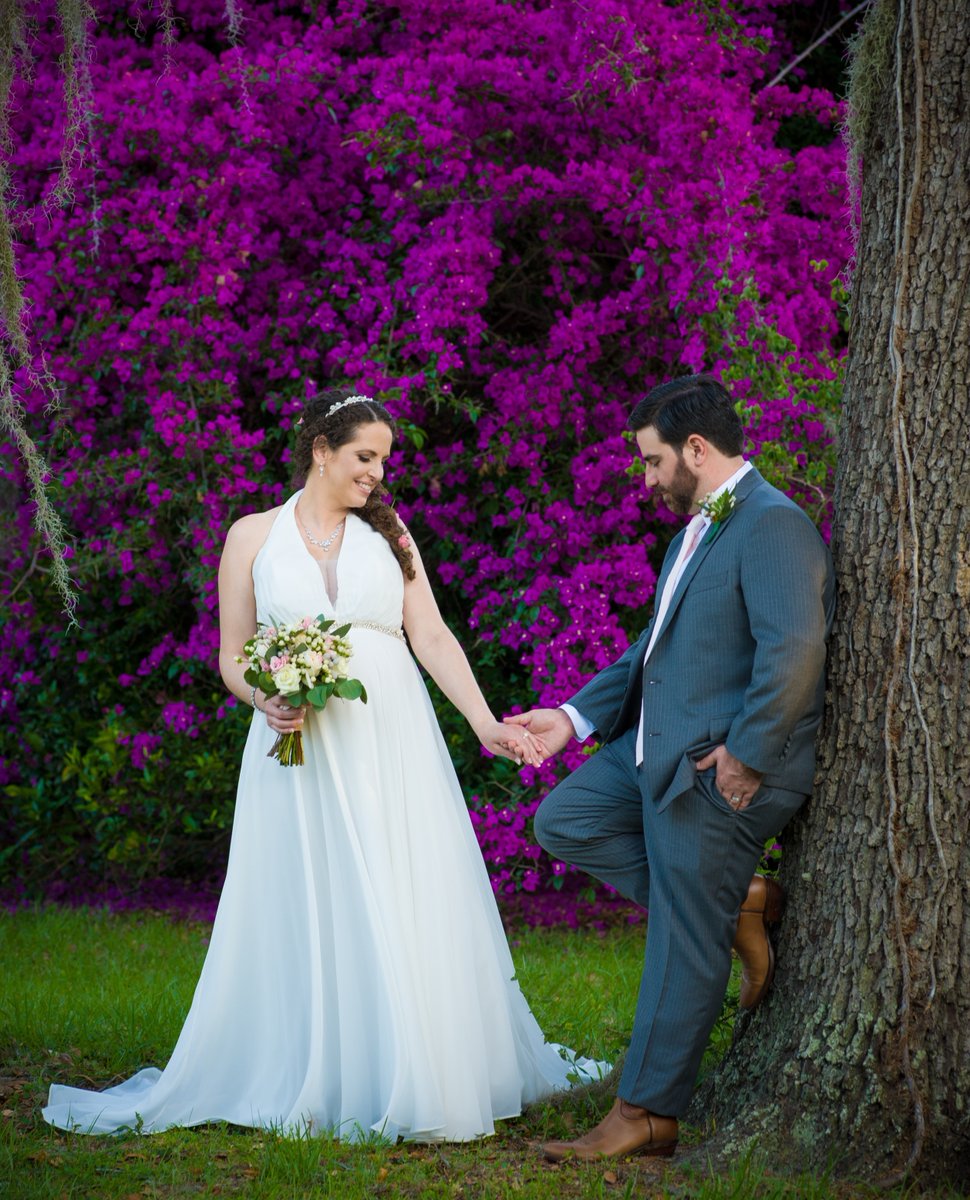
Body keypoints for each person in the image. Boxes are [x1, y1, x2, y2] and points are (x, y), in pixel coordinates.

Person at [44, 389, 603, 1142]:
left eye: (384, 461)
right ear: (321, 450)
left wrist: (483, 721)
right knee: (312, 892)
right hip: (295, 746)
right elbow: (232, 653)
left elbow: (430, 636)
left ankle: (416, 1066)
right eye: (364, 456)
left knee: (399, 884)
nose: (376, 473)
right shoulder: (251, 536)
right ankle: (319, 1063)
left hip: (390, 738)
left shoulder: (391, 535)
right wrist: (263, 695)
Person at [505, 374, 835, 1161]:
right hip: (649, 753)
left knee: (681, 939)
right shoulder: (693, 533)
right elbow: (653, 656)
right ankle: (738, 903)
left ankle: (645, 1113)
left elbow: (795, 649)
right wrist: (573, 719)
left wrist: (749, 755)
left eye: (653, 462)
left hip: (719, 767)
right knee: (565, 819)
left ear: (695, 448)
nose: (648, 478)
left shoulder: (772, 525)